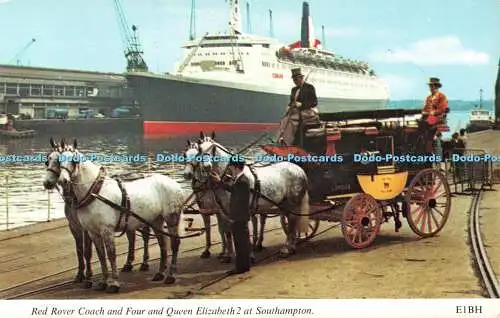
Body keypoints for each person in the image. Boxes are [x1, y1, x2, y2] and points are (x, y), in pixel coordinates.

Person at [210, 158, 251, 275]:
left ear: (236, 167)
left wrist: (233, 217)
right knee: (243, 243)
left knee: (240, 244)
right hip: (241, 217)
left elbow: (237, 197)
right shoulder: (241, 179)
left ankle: (240, 267)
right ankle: (245, 265)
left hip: (239, 217)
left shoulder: (242, 181)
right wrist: (222, 181)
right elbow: (234, 190)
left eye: (231, 167)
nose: (230, 170)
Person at [276, 68, 320, 146]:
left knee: (291, 121)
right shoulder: (294, 90)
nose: (295, 81)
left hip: (307, 111)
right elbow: (292, 102)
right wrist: (289, 106)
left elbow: (314, 102)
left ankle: (287, 143)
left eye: (296, 79)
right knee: (284, 120)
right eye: (294, 80)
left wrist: (301, 105)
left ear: (301, 78)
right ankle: (280, 140)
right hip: (296, 112)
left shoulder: (309, 87)